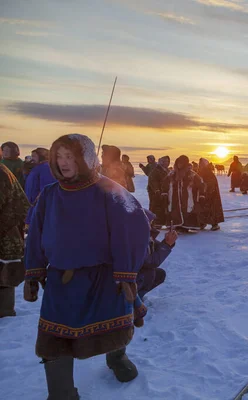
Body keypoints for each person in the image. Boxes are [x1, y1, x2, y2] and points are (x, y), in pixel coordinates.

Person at [24, 134, 150, 398]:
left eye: (70, 156)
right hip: (61, 279)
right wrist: (33, 272)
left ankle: (116, 358)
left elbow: (134, 228)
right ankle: (61, 393)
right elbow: (35, 234)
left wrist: (126, 274)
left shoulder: (109, 191)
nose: (64, 163)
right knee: (53, 337)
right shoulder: (49, 195)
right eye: (59, 157)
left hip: (105, 278)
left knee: (113, 323)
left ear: (86, 158)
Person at [0, 154, 30, 318]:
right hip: (8, 232)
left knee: (4, 276)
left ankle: (4, 314)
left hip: (6, 236)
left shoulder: (0, 173)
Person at [137, 210, 177, 299]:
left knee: (159, 274)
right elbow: (151, 262)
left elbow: (155, 246)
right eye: (150, 222)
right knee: (150, 273)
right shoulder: (137, 239)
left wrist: (167, 242)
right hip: (129, 277)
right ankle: (135, 300)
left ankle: (137, 295)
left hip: (135, 274)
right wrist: (167, 245)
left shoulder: (144, 235)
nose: (152, 225)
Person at [162, 155, 206, 231]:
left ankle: (186, 225)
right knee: (175, 211)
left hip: (187, 198)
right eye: (178, 163)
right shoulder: (172, 174)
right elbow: (165, 184)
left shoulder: (191, 174)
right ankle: (177, 225)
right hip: (174, 198)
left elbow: (201, 184)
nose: (180, 165)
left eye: (182, 163)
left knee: (187, 210)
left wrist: (201, 195)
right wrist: (164, 194)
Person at [25, 148, 56, 226]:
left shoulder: (46, 167)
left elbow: (46, 186)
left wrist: (38, 202)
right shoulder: (37, 167)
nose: (32, 159)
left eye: (34, 156)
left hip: (38, 206)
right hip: (32, 204)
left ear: (42, 156)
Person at [196, 158, 224, 231]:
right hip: (202, 194)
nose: (201, 165)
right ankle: (202, 222)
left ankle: (214, 224)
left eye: (202, 164)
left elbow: (211, 183)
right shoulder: (199, 172)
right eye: (200, 164)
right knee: (201, 208)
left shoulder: (209, 173)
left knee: (212, 209)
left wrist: (205, 187)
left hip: (211, 194)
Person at [147, 156, 170, 227]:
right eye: (164, 161)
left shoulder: (167, 170)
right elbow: (153, 181)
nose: (166, 163)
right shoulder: (156, 170)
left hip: (164, 192)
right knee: (155, 206)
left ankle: (160, 222)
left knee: (163, 207)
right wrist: (156, 190)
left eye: (167, 161)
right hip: (155, 192)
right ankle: (153, 222)